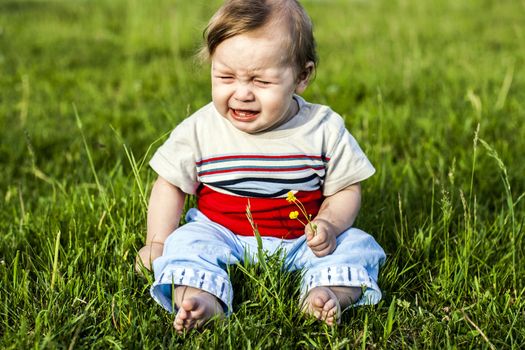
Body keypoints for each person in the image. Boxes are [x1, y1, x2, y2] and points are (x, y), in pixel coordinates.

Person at [136, 0, 386, 333]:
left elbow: (345, 188)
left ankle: (326, 293)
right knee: (185, 244)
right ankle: (200, 298)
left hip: (302, 237)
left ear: (301, 76)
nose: (241, 93)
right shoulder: (201, 129)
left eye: (261, 82)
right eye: (225, 77)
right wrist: (157, 241)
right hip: (220, 232)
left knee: (356, 244)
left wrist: (328, 223)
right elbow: (169, 184)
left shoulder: (323, 128)